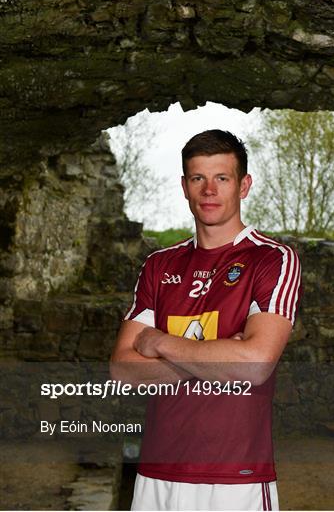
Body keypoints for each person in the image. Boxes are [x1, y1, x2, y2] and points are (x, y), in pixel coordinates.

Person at [111, 129, 302, 511]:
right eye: (198, 178)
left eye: (222, 178)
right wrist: (219, 356)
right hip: (156, 473)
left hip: (235, 477)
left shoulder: (271, 259)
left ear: (243, 185)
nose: (209, 190)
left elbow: (256, 364)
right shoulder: (159, 265)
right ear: (185, 186)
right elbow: (122, 370)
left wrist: (161, 343)